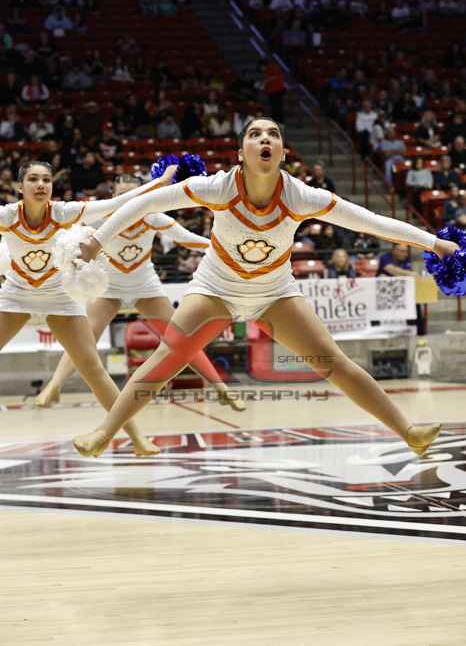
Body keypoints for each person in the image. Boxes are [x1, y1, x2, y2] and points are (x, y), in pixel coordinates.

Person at [72, 117, 457, 459]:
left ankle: (409, 432)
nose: (265, 138)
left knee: (333, 363)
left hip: (276, 294)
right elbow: (144, 203)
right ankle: (105, 432)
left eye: (273, 134)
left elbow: (370, 221)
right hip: (215, 290)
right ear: (241, 153)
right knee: (167, 357)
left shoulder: (301, 196)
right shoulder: (218, 187)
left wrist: (435, 244)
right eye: (255, 134)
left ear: (283, 153)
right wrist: (97, 241)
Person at [0, 160, 176, 456]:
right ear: (20, 187)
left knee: (93, 369)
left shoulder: (63, 212)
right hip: (17, 294)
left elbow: (116, 204)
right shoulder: (6, 216)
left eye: (46, 180)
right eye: (33, 179)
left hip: (60, 296)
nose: (41, 185)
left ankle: (137, 439)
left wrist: (159, 183)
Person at [36, 175, 244, 411]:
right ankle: (54, 386)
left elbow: (187, 239)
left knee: (180, 337)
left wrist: (219, 248)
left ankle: (221, 388)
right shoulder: (100, 220)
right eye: (123, 194)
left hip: (145, 286)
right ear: (114, 196)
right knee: (85, 337)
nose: (129, 199)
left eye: (134, 194)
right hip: (108, 287)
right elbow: (69, 241)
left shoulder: (152, 217)